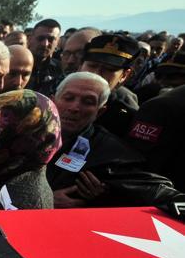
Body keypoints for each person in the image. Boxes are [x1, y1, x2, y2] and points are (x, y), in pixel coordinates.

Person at [48, 72, 182, 208]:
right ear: (52, 101)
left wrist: (106, 198)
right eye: (69, 98)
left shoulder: (110, 154)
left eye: (88, 102)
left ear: (99, 112)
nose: (75, 108)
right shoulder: (27, 131)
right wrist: (45, 199)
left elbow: (160, 192)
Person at [80, 33, 141, 137]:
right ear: (81, 66)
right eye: (92, 66)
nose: (97, 73)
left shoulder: (127, 120)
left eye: (109, 69)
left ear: (124, 75)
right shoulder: (54, 97)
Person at [26, 18, 63, 96]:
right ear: (30, 39)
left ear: (57, 42)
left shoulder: (60, 70)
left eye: (51, 39)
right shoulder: (15, 64)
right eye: (40, 38)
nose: (45, 44)